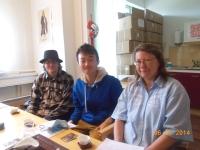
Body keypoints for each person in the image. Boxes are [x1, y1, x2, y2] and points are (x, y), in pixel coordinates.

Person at [112, 43, 193, 149]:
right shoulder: (131, 88)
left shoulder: (174, 90)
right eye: (138, 61)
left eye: (147, 60)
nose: (142, 65)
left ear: (159, 62)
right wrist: (118, 145)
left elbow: (174, 131)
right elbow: (119, 117)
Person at [69, 43, 122, 140]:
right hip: (84, 124)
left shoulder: (113, 82)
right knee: (67, 139)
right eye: (83, 60)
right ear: (78, 63)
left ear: (98, 61)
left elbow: (120, 109)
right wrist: (71, 122)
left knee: (92, 143)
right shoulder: (78, 84)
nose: (87, 64)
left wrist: (107, 122)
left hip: (105, 124)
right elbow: (78, 108)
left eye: (90, 60)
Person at [27, 50, 74, 120]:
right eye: (48, 62)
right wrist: (30, 115)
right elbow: (34, 101)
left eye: (54, 62)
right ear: (44, 65)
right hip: (40, 114)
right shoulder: (39, 79)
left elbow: (65, 106)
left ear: (58, 64)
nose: (51, 65)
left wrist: (48, 118)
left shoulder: (67, 79)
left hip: (58, 116)